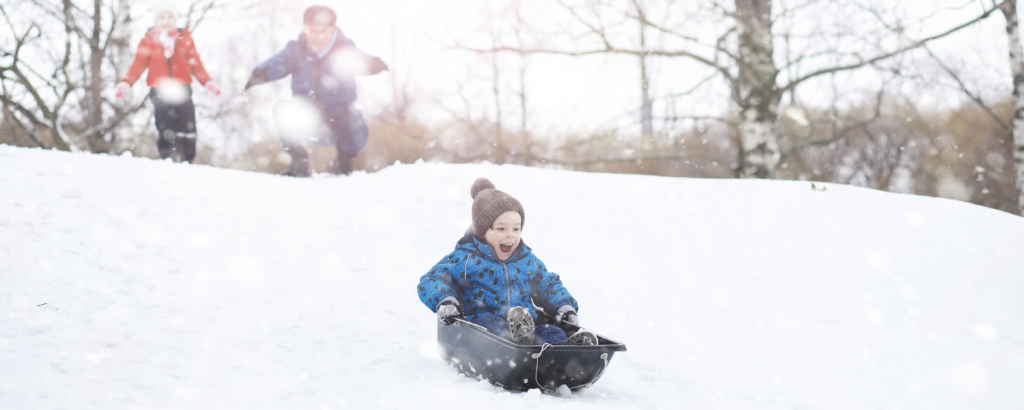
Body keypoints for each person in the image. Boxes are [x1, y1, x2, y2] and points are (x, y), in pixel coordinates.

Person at [417, 178, 597, 346]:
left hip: (528, 325)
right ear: (483, 232)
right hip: (482, 327)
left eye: (516, 228)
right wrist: (445, 301)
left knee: (553, 331)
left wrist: (565, 306)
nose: (510, 234)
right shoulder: (465, 259)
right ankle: (514, 346)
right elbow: (431, 280)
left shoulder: (527, 261)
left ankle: (563, 353)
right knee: (491, 324)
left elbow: (548, 285)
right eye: (501, 228)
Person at [244, 5, 388, 177]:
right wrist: (261, 73)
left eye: (324, 31)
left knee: (356, 122)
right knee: (282, 109)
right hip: (307, 120)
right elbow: (277, 63)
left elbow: (360, 59)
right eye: (312, 31)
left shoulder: (344, 49)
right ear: (305, 29)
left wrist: (373, 64)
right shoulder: (296, 50)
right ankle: (299, 164)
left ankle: (344, 160)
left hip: (340, 121)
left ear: (333, 30)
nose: (318, 37)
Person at [115, 1, 220, 163]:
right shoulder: (149, 40)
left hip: (182, 88)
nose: (166, 20)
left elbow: (195, 63)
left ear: (175, 18)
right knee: (165, 123)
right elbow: (138, 64)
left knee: (187, 122)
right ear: (156, 20)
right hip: (159, 89)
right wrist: (126, 83)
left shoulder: (184, 38)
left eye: (169, 16)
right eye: (162, 17)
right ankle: (167, 157)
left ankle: (187, 157)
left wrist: (207, 83)